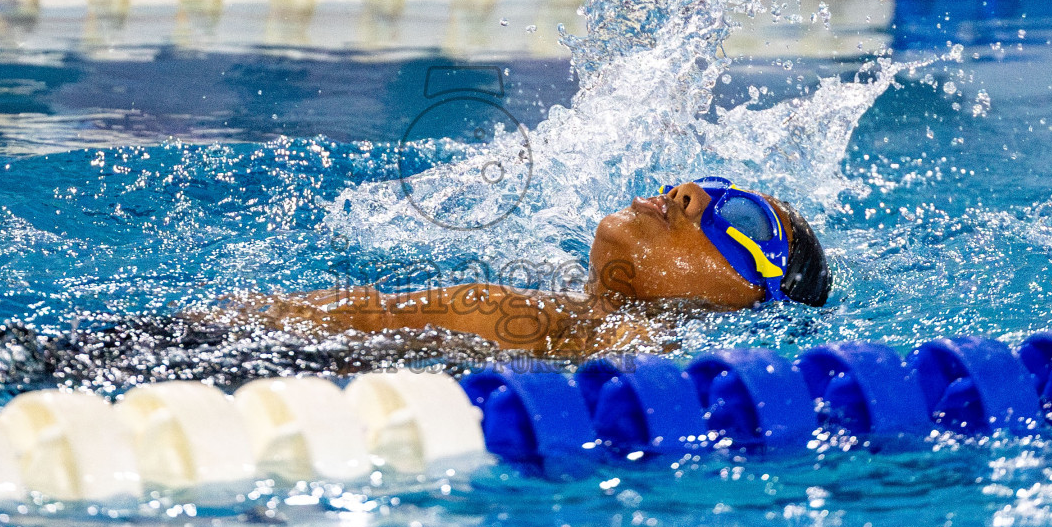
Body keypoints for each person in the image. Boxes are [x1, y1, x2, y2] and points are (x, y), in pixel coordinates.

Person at [245, 177, 832, 357]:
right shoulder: (571, 308)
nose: (687, 193)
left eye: (746, 221)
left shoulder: (632, 338)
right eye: (708, 184)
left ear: (751, 296)